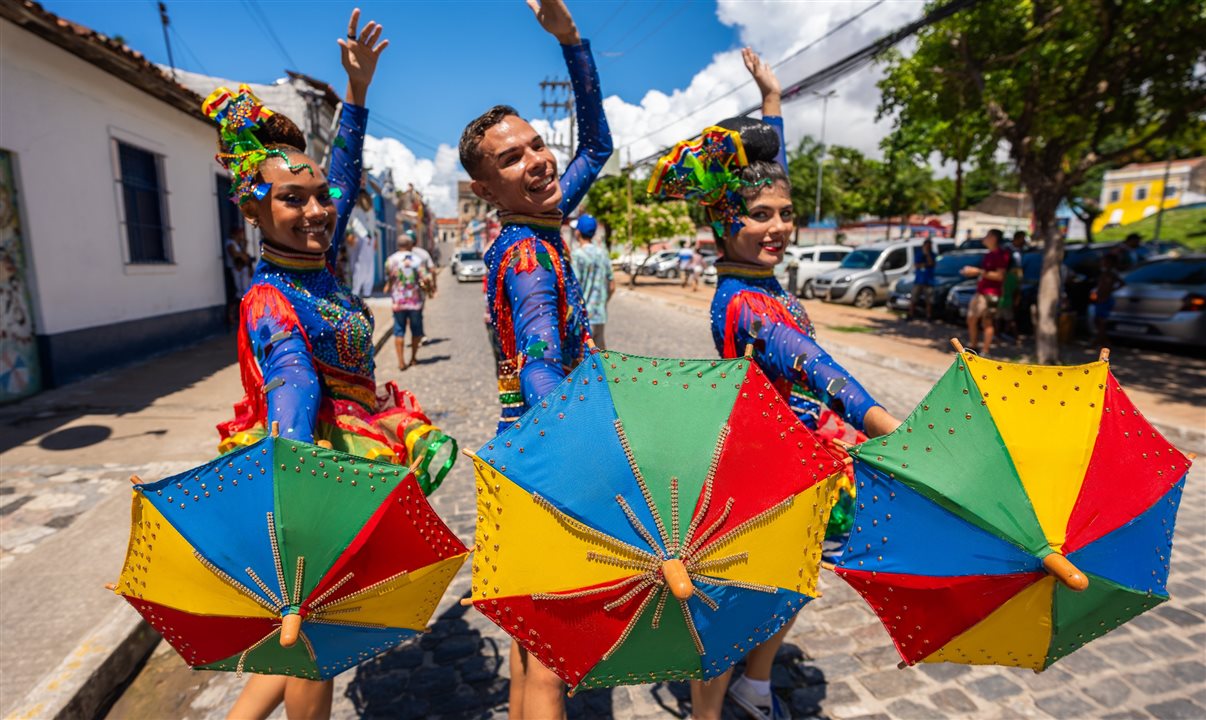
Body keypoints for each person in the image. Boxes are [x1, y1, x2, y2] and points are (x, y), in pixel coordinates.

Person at [203, 13, 448, 719]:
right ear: (254, 207)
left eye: (318, 199)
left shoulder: (314, 260)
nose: (314, 210)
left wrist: (357, 93)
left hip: (342, 451)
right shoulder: (272, 298)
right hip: (313, 461)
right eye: (292, 199)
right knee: (316, 632)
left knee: (303, 634)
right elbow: (291, 376)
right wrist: (300, 485)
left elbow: (340, 175)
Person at [652, 48, 901, 720]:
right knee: (736, 604)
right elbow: (816, 366)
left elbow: (769, 175)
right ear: (720, 225)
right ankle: (708, 710)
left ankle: (755, 687)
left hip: (806, 459)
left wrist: (772, 105)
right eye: (758, 217)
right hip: (757, 466)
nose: (777, 228)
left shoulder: (763, 279)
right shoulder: (742, 301)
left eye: (784, 215)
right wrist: (887, 427)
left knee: (793, 583)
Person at [457, 1, 611, 716]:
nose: (539, 161)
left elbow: (598, 147)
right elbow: (544, 364)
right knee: (553, 660)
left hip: (524, 450)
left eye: (538, 144)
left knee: (531, 648)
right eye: (511, 158)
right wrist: (589, 452)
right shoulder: (524, 252)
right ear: (485, 189)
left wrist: (571, 43)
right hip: (547, 456)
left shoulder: (539, 218)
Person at [384, 231, 432, 369]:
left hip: (398, 302)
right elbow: (426, 278)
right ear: (410, 245)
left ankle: (400, 361)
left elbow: (389, 277)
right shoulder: (417, 260)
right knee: (416, 330)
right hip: (415, 302)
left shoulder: (391, 260)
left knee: (399, 331)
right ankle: (413, 358)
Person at [961, 228, 1011, 356]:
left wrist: (978, 271)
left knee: (987, 321)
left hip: (991, 293)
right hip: (981, 292)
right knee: (971, 318)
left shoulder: (1000, 255)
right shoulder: (989, 254)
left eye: (987, 235)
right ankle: (973, 346)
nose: (984, 238)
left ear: (994, 238)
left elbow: (1000, 276)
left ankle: (985, 351)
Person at [569, 213, 614, 348]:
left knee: (583, 362)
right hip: (600, 316)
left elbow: (573, 289)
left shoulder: (577, 256)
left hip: (583, 319)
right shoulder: (603, 253)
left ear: (577, 232)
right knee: (599, 360)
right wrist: (602, 303)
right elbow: (612, 286)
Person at [1091, 252, 1124, 349]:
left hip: (1104, 300)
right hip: (1100, 299)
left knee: (1101, 322)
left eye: (1104, 261)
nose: (1102, 263)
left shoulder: (1111, 274)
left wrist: (1110, 291)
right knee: (1098, 321)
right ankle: (1105, 342)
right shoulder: (1104, 273)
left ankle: (1098, 342)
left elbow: (1121, 283)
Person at [347, 192, 377, 297]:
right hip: (358, 237)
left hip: (369, 239)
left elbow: (373, 225)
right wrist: (350, 233)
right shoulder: (354, 208)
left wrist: (374, 237)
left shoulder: (370, 210)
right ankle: (356, 290)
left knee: (369, 266)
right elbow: (351, 222)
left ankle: (367, 291)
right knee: (357, 265)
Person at [909, 238, 936, 320]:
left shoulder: (932, 255)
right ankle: (911, 314)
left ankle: (928, 316)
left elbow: (932, 263)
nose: (927, 247)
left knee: (929, 301)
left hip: (928, 281)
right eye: (926, 246)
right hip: (918, 281)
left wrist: (927, 255)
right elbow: (917, 265)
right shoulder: (919, 254)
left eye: (929, 246)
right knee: (914, 299)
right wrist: (925, 264)